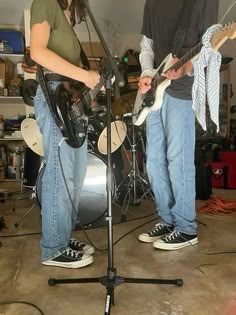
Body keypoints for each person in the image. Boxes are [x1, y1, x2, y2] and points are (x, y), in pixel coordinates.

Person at [137, 0, 219, 250]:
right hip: (154, 91)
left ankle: (185, 227)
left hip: (182, 92)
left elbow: (210, 47)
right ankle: (167, 220)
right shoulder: (152, 3)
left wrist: (186, 67)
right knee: (153, 161)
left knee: (177, 159)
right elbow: (146, 45)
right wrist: (146, 73)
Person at [30, 0, 101, 268]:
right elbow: (38, 52)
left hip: (69, 99)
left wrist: (89, 88)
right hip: (52, 96)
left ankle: (62, 237)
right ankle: (52, 248)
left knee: (75, 174)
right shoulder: (46, 2)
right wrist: (85, 75)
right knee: (59, 173)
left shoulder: (69, 12)